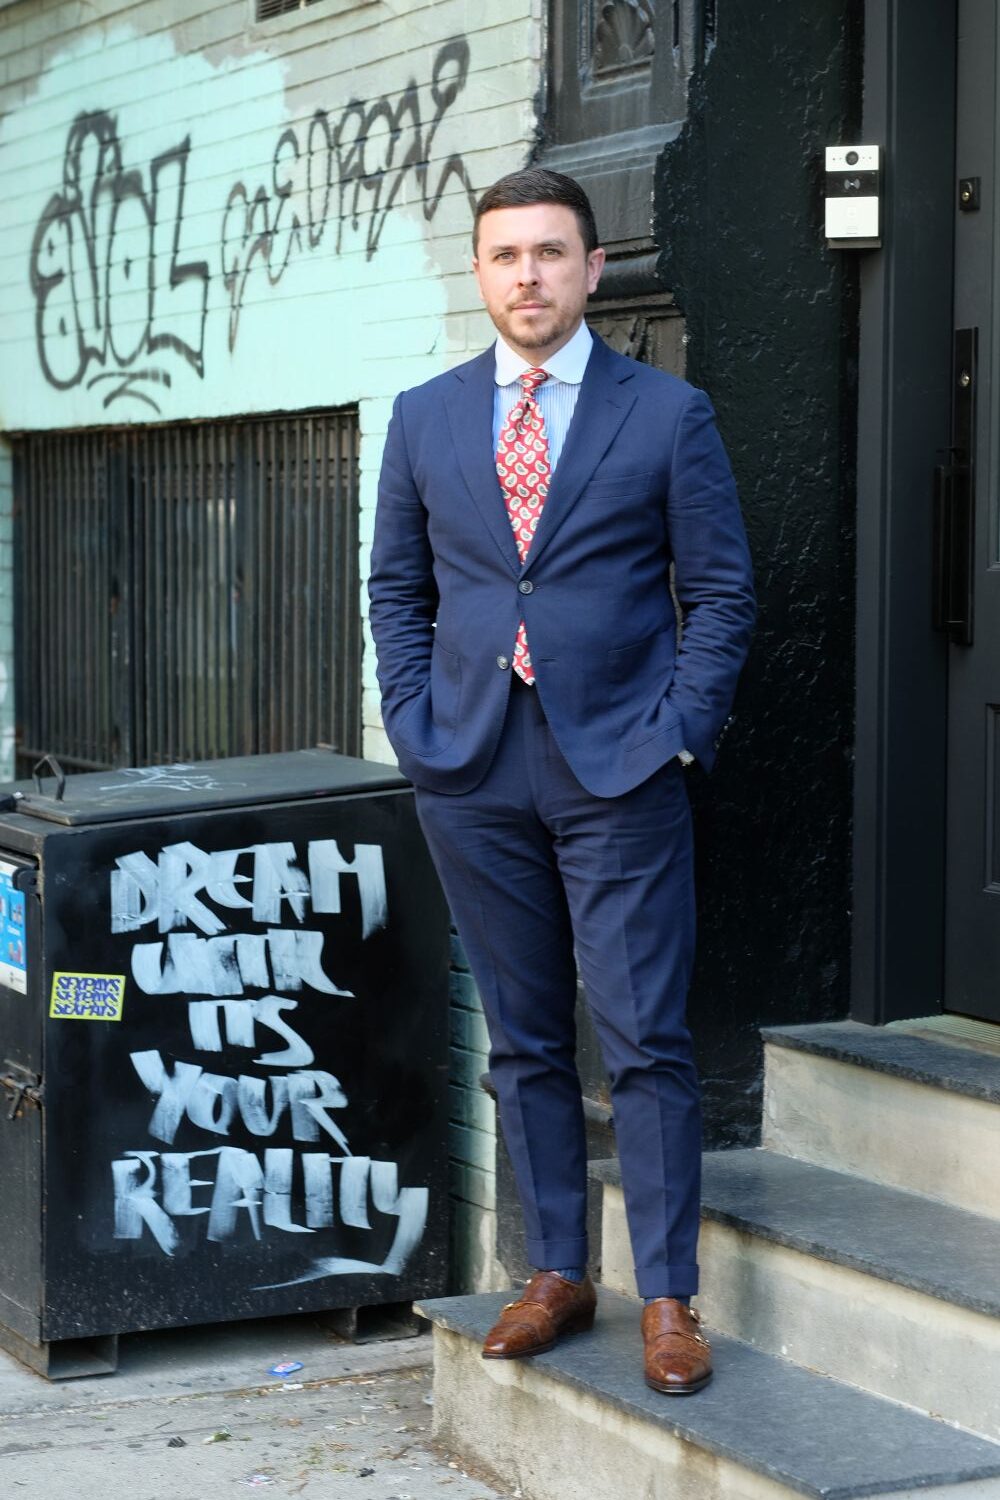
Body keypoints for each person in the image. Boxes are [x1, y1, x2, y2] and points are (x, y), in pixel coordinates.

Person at [369, 167, 754, 1395]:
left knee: (641, 1037)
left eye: (549, 253)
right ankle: (554, 1272)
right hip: (470, 765)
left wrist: (679, 729)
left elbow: (723, 591)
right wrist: (417, 719)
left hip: (618, 764)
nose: (526, 276)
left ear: (594, 271)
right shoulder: (425, 418)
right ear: (477, 274)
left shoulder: (664, 415)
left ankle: (668, 1298)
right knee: (525, 1040)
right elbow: (398, 590)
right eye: (504, 256)